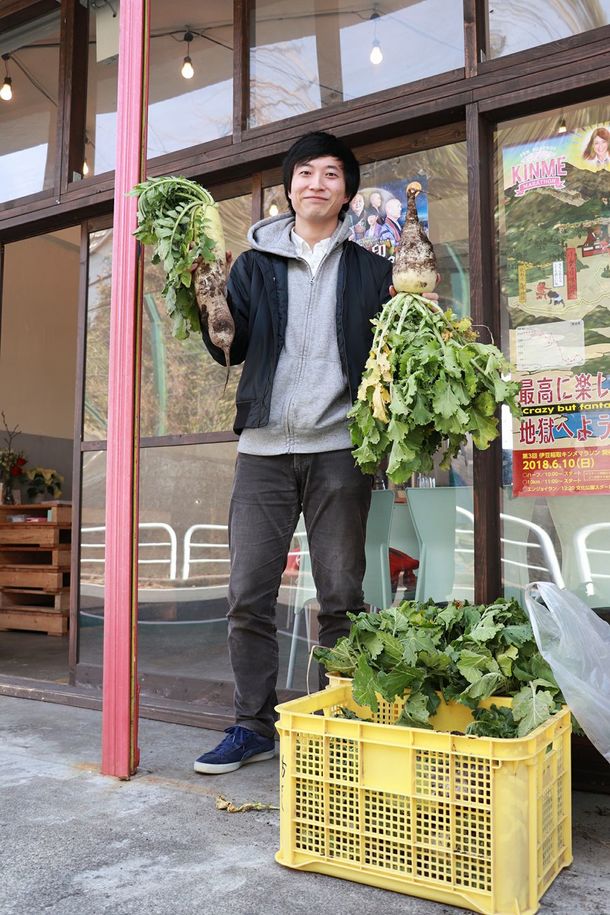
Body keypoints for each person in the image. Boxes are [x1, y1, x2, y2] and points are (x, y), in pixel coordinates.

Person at [193, 131, 394, 775]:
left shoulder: (373, 269)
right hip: (263, 451)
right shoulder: (253, 264)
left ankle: (337, 720)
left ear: (347, 191)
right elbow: (233, 346)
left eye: (330, 174)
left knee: (341, 593)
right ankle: (253, 724)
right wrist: (208, 304)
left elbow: (391, 354)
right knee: (249, 592)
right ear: (288, 188)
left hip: (340, 448)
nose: (315, 183)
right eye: (303, 173)